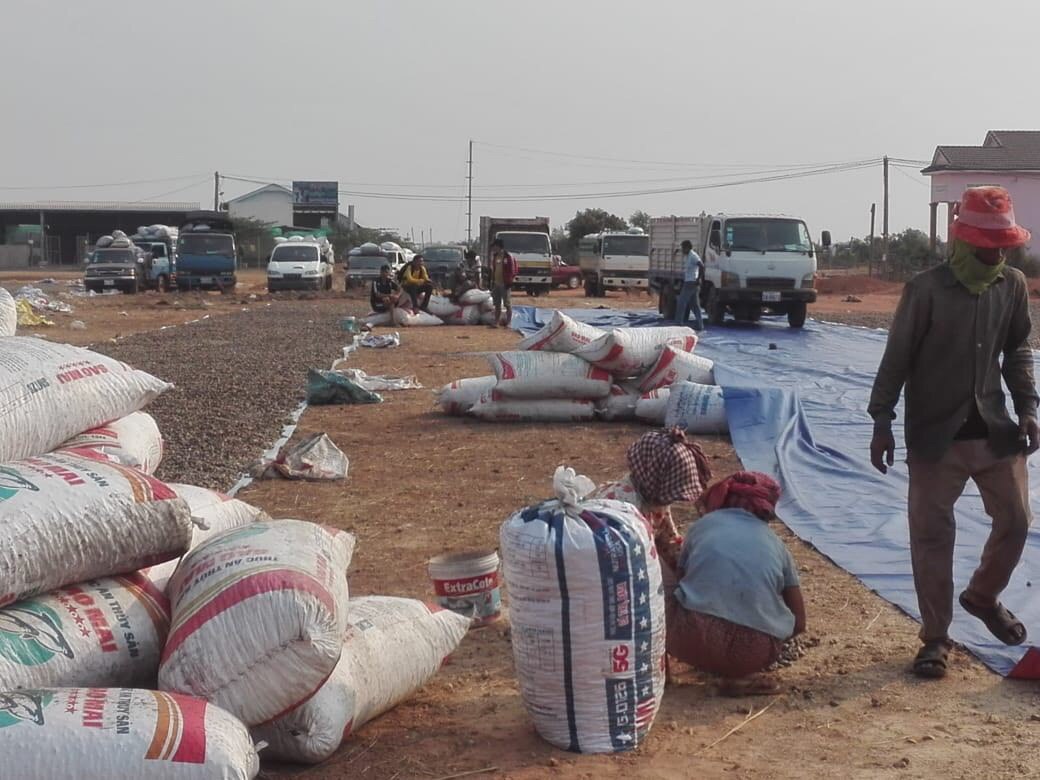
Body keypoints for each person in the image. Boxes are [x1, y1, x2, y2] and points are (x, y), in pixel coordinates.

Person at [868, 185, 1038, 680]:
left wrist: (1028, 407)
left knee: (1016, 519)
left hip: (993, 428)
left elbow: (1018, 350)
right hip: (935, 434)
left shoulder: (1011, 286)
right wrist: (882, 420)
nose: (998, 255)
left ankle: (982, 596)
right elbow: (897, 357)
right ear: (964, 242)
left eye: (1004, 245)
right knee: (932, 535)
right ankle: (935, 638)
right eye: (989, 246)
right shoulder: (926, 290)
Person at [664, 471, 805, 696]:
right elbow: (799, 623)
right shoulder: (778, 546)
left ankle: (658, 667)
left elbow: (682, 581)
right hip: (753, 654)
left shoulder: (702, 526)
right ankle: (738, 676)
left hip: (691, 641)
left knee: (655, 562)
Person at [592, 427, 713, 570]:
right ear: (654, 476)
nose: (672, 499)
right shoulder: (621, 507)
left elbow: (669, 543)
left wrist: (691, 567)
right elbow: (616, 558)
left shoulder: (655, 499)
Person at [674, 239, 704, 330]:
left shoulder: (693, 256)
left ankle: (678, 323)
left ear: (687, 248)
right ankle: (700, 325)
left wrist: (698, 278)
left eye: (683, 248)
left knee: (681, 302)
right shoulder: (688, 256)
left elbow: (701, 266)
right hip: (690, 282)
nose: (682, 250)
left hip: (691, 282)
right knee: (695, 305)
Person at [487, 238, 518, 327]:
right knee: (497, 304)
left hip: (505, 284)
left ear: (499, 246)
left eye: (494, 246)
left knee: (507, 304)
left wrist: (509, 281)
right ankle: (496, 322)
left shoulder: (508, 256)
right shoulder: (495, 257)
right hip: (496, 283)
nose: (493, 248)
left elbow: (513, 270)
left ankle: (509, 323)